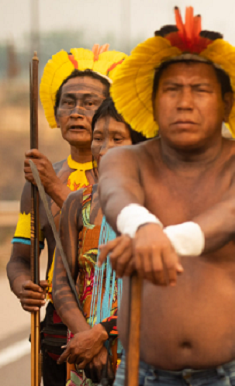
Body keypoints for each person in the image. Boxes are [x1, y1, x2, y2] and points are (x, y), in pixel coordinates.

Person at [97, 7, 235, 385]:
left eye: (200, 90)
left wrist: (155, 241)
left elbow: (232, 215)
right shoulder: (123, 159)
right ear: (152, 100)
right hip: (141, 372)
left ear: (226, 103)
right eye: (172, 89)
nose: (185, 102)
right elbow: (117, 196)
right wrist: (142, 225)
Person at [5, 44, 126, 386]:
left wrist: (53, 189)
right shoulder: (37, 183)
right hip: (60, 334)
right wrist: (22, 285)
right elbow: (20, 256)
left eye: (89, 103)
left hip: (118, 329)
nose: (76, 111)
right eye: (68, 102)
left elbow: (93, 225)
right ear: (55, 113)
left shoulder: (131, 182)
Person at [52, 99, 150, 385]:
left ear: (139, 145)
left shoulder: (157, 203)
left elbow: (159, 288)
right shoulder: (76, 203)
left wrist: (102, 334)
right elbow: (62, 283)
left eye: (117, 138)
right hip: (85, 355)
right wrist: (86, 338)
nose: (104, 148)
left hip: (143, 352)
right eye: (98, 138)